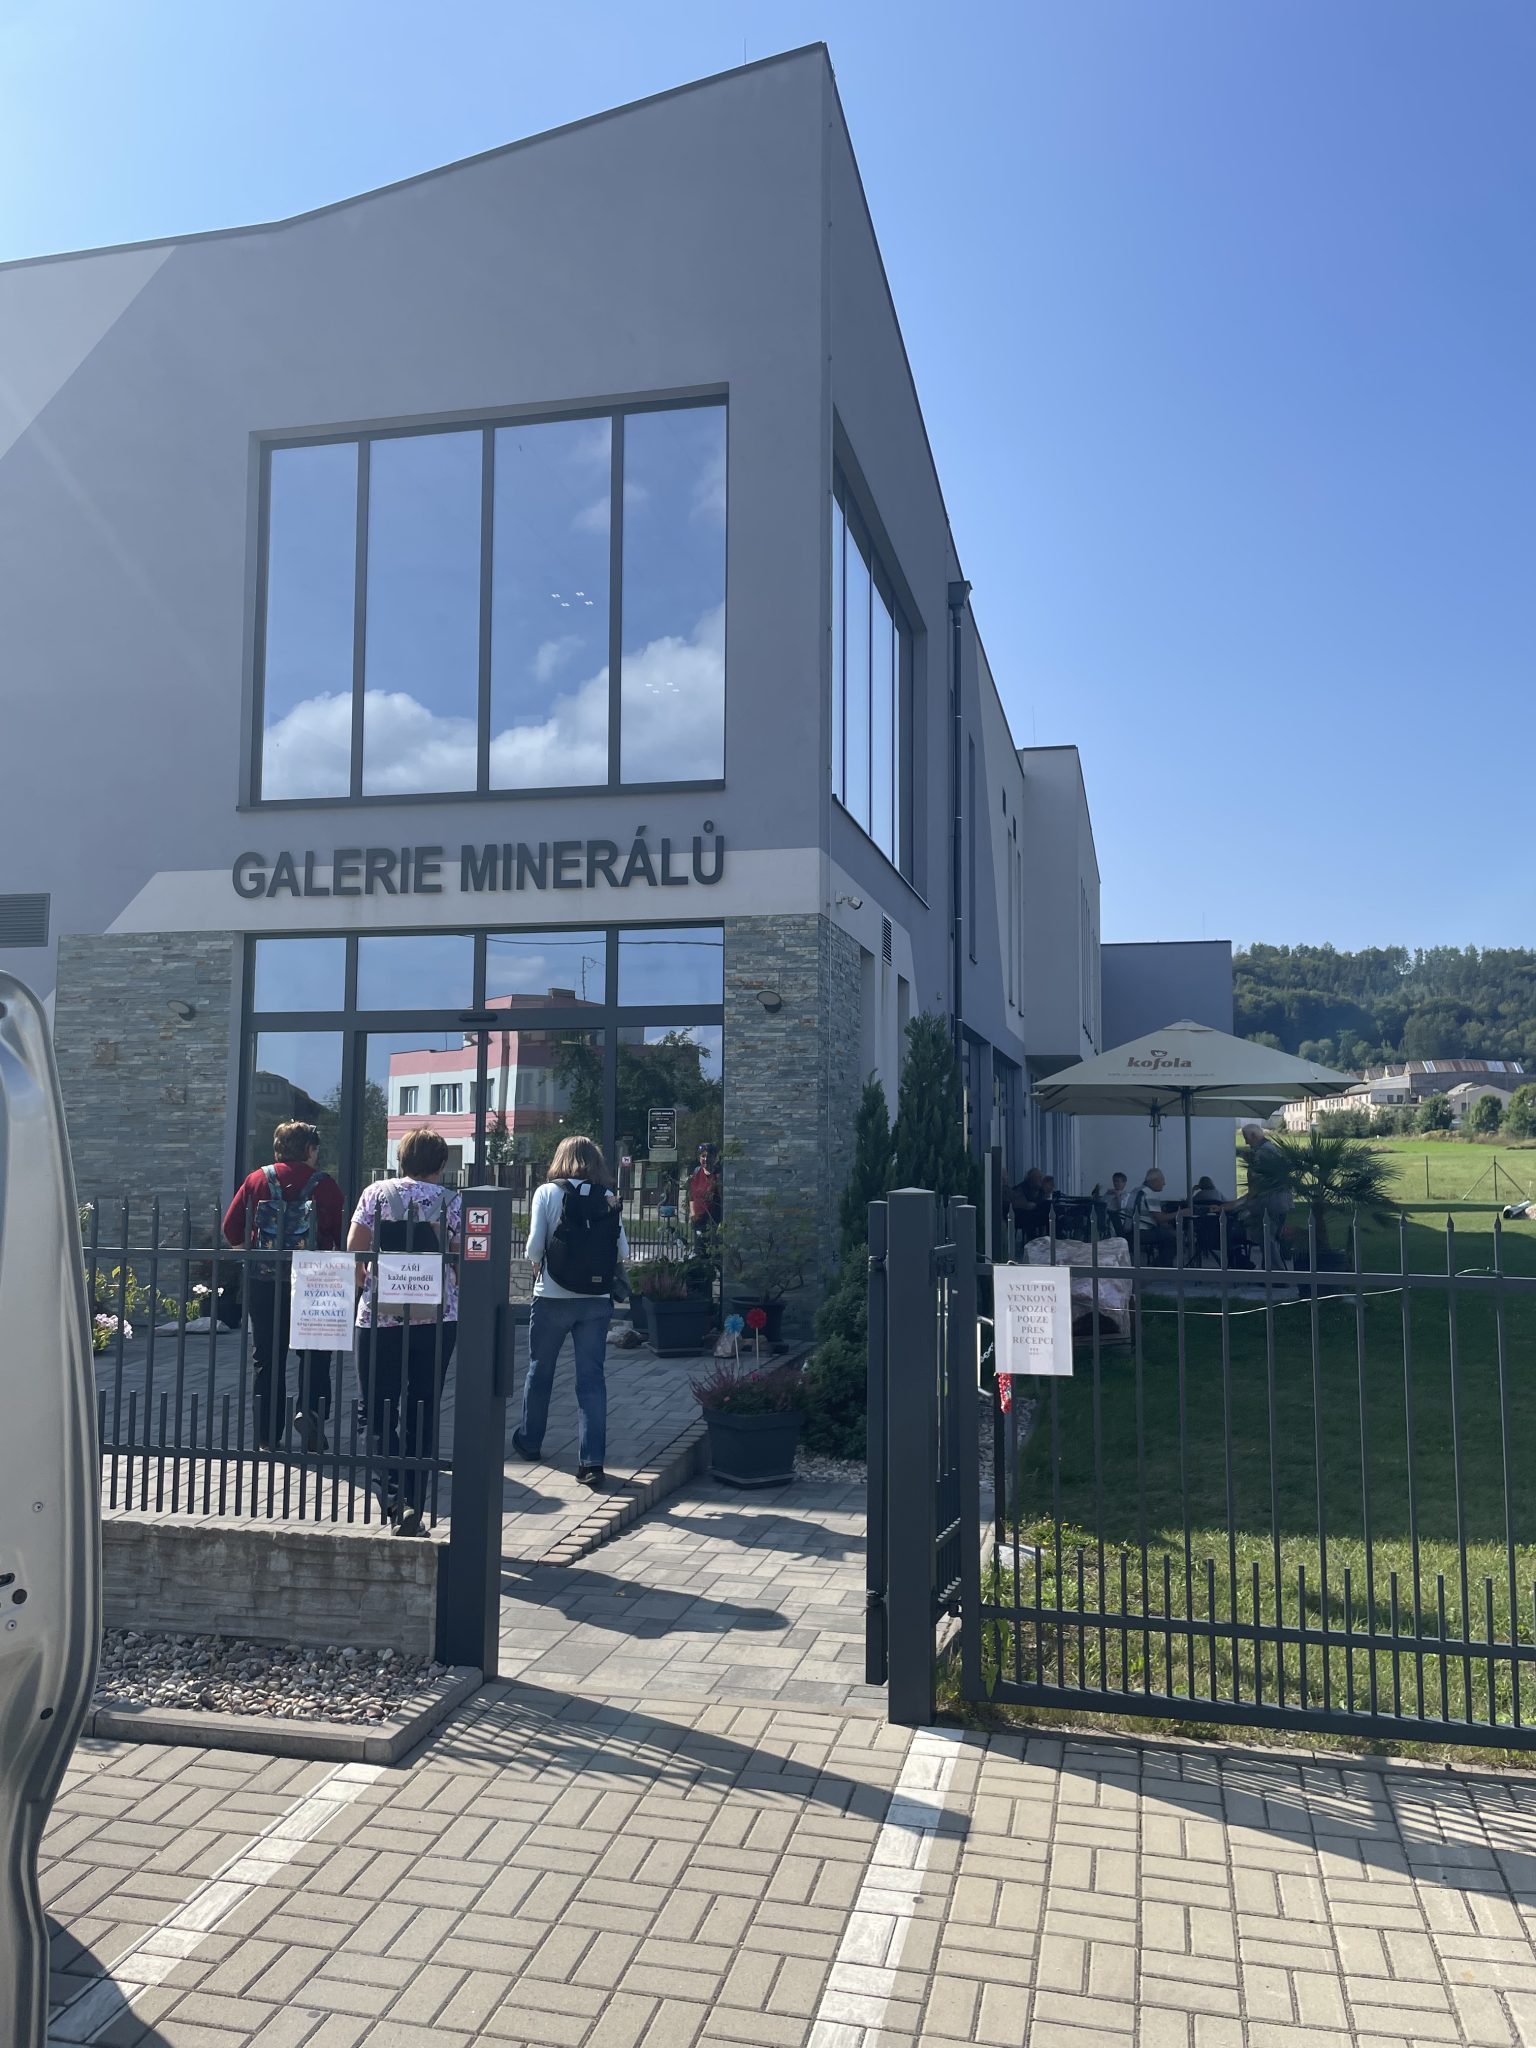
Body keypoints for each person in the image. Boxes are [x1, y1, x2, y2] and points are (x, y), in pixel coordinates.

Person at [347, 1127, 461, 1536]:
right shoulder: (452, 1202)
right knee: (423, 1408)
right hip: (437, 1319)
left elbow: (355, 1247)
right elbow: (461, 1261)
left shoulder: (375, 1194)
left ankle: (395, 1500)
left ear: (401, 1158)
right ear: (441, 1163)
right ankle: (415, 1500)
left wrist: (368, 1283)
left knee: (377, 1409)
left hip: (380, 1319)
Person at [223, 1120, 346, 1453]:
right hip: (315, 1279)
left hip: (265, 1280)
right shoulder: (324, 1185)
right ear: (309, 1149)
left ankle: (267, 1436)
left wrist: (253, 1255)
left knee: (267, 1357)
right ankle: (311, 1414)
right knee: (316, 1354)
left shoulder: (256, 1179)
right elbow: (341, 1235)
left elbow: (231, 1228)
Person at [515, 1135, 629, 1488]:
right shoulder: (607, 1197)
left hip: (551, 1296)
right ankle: (591, 1461)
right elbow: (622, 1250)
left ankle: (530, 1441)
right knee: (591, 1380)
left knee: (540, 1370)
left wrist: (538, 1263)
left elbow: (534, 1247)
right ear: (596, 1162)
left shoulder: (547, 1193)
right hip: (595, 1299)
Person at [1241, 1121, 1293, 1267]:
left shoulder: (1264, 1153)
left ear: (1253, 1135)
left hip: (1270, 1202)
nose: (1246, 1142)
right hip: (1280, 1201)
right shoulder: (1272, 1149)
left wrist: (1246, 1201)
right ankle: (1269, 1270)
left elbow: (1259, 1181)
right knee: (1271, 1238)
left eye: (1246, 1138)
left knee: (1268, 1238)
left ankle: (1275, 1273)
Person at [1126, 1168, 1178, 1263]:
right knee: (1172, 1237)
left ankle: (1160, 1264)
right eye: (1162, 1180)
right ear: (1154, 1181)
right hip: (1141, 1232)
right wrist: (1181, 1213)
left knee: (1165, 1233)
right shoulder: (1149, 1194)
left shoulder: (1135, 1191)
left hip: (1128, 1231)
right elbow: (1160, 1218)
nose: (1164, 1183)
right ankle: (1160, 1266)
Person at [688, 1141, 723, 1251]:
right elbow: (692, 1196)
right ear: (700, 1158)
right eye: (703, 1156)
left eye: (709, 1156)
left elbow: (723, 1200)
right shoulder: (696, 1173)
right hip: (699, 1221)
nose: (706, 1159)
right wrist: (693, 1214)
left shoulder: (718, 1175)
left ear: (714, 1157)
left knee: (714, 1251)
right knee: (699, 1251)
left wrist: (721, 1223)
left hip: (714, 1222)